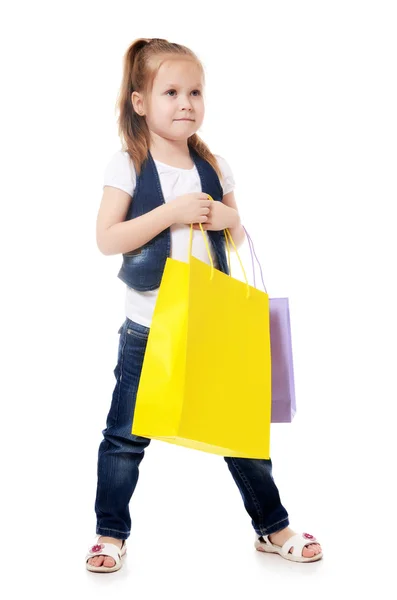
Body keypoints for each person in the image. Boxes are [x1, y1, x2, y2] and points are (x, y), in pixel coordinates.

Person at [86, 37, 323, 573]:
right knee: (125, 437)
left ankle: (272, 526)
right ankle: (109, 533)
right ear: (140, 101)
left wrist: (229, 219)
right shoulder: (128, 163)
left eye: (195, 91)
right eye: (171, 91)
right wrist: (171, 212)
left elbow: (238, 240)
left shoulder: (213, 165)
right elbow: (107, 238)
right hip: (148, 328)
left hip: (211, 324)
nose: (186, 102)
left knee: (239, 429)